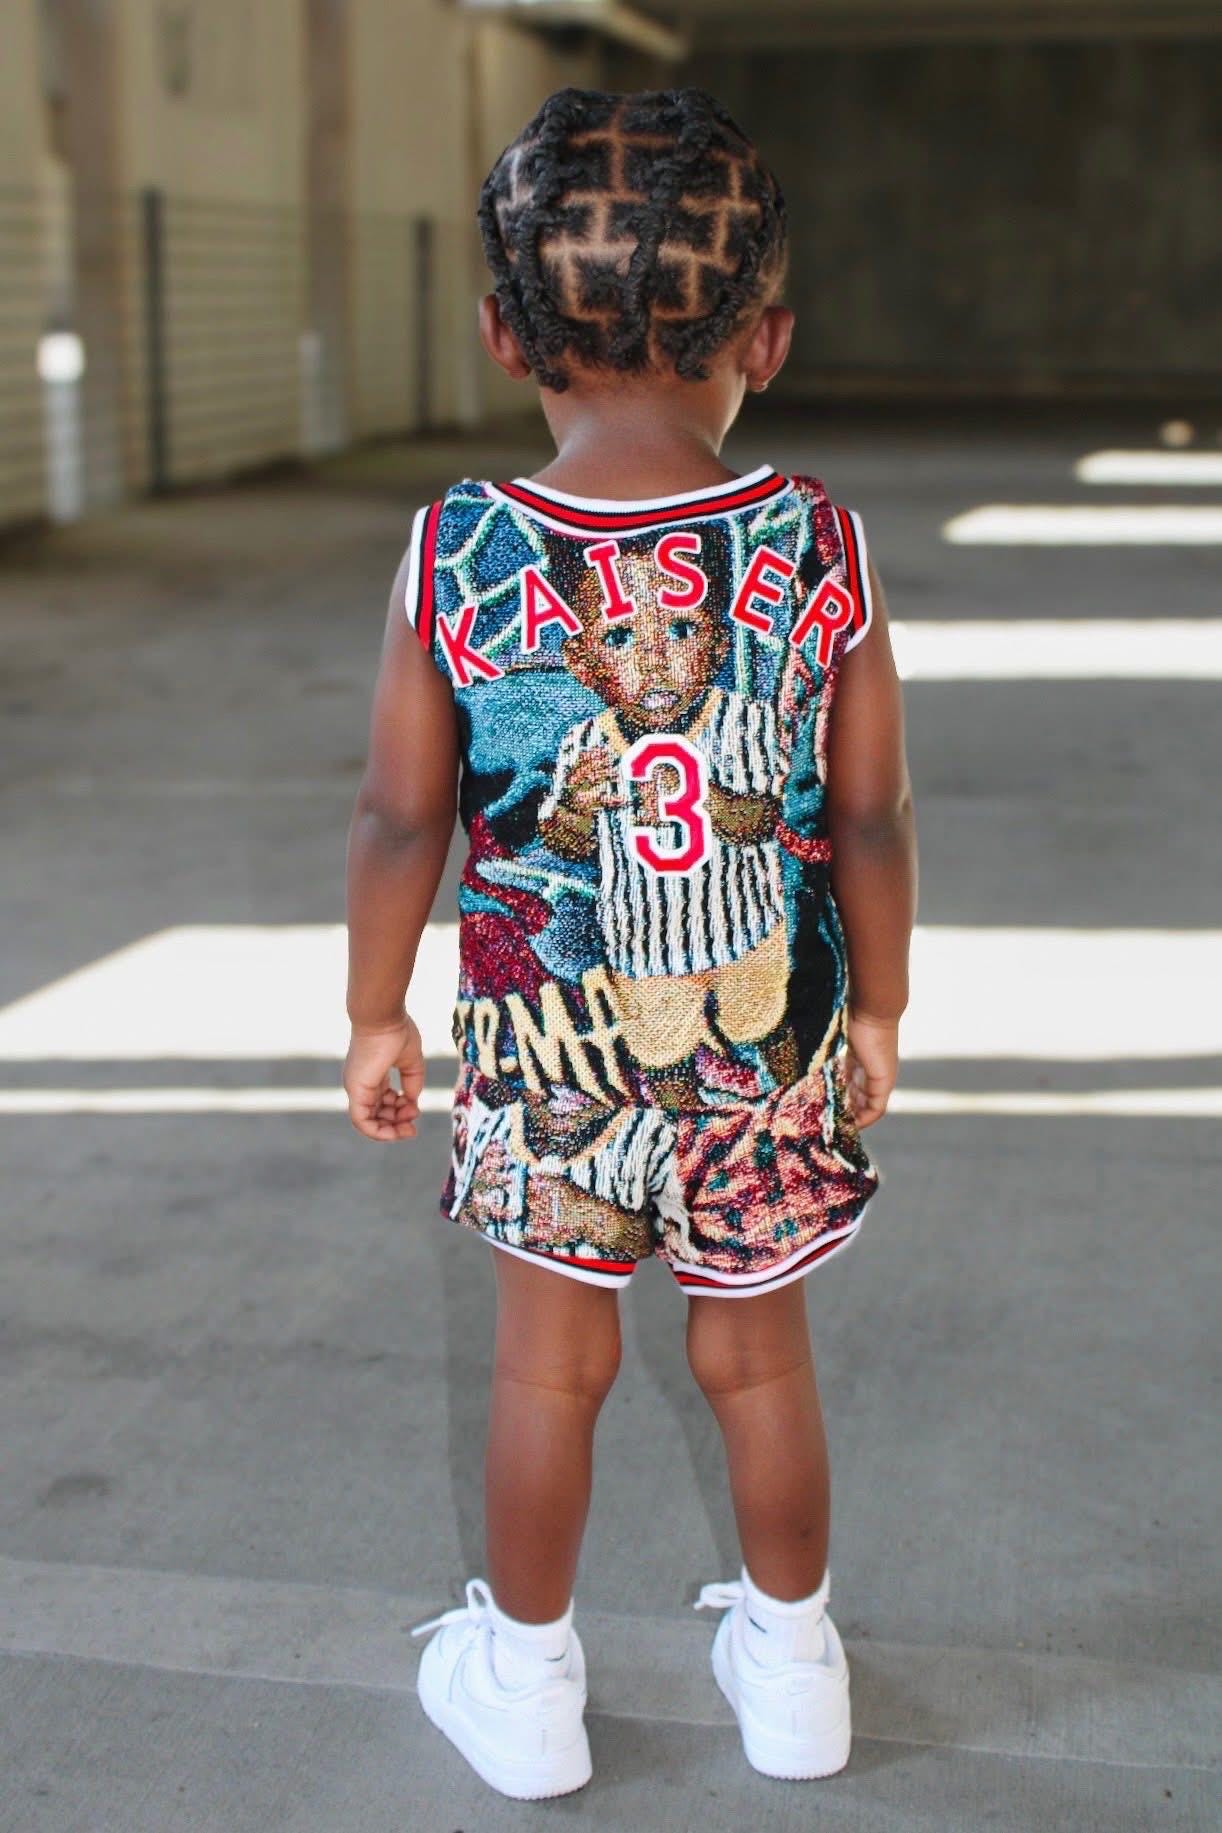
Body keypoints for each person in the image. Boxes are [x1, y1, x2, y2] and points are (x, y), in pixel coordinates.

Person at [344, 87, 917, 1802]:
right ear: (768, 339)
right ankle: (794, 1670)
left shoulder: (457, 545)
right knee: (756, 1355)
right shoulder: (817, 539)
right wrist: (880, 1008)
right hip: (767, 1049)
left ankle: (524, 1687)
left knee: (550, 1363)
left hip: (552, 1059)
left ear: (501, 331)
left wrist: (376, 1011)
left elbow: (399, 821)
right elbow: (869, 816)